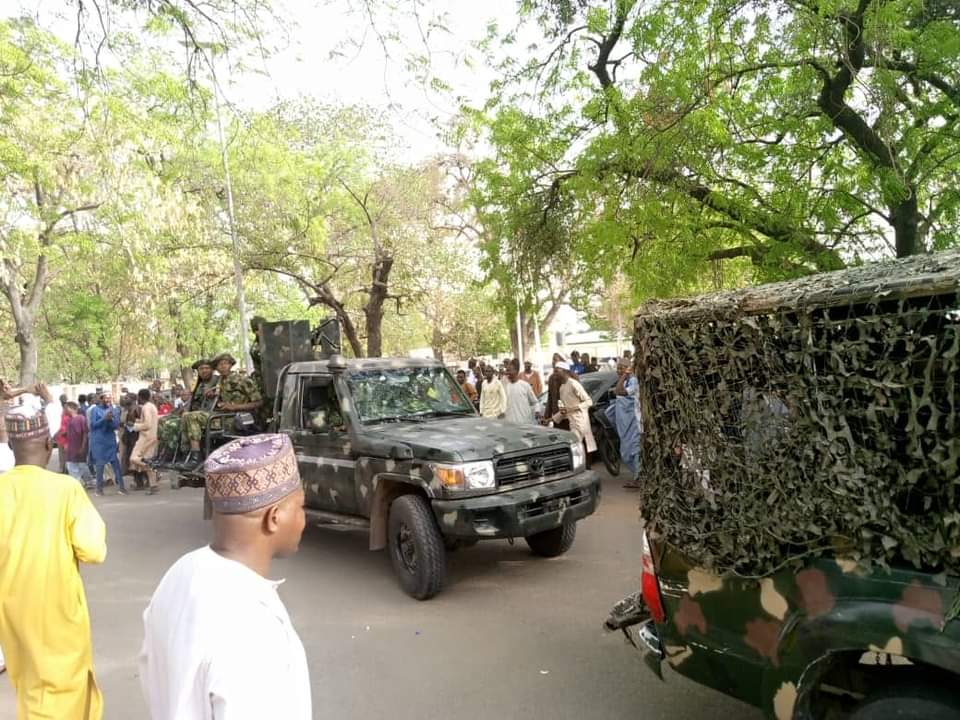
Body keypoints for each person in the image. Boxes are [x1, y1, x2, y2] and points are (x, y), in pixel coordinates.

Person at [139, 434, 311, 719]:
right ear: (275, 517)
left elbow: (152, 672)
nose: (304, 518)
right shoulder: (255, 633)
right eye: (301, 506)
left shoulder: (180, 573)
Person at [0, 399, 107, 719]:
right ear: (49, 444)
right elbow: (93, 550)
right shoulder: (65, 489)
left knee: (31, 688)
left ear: (11, 445)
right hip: (58, 610)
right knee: (63, 692)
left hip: (12, 612)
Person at [180, 353, 262, 469]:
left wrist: (234, 407)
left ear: (231, 365)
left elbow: (258, 402)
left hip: (235, 419)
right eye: (219, 365)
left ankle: (195, 459)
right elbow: (221, 397)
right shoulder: (220, 382)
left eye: (225, 363)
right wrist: (213, 394)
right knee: (187, 416)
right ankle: (187, 455)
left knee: (192, 417)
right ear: (216, 368)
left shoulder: (242, 380)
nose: (222, 366)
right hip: (222, 417)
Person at [609, 360, 642, 488]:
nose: (618, 371)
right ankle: (638, 477)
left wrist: (625, 375)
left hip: (634, 423)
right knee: (625, 454)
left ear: (629, 369)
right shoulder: (625, 381)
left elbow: (619, 391)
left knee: (634, 451)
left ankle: (638, 478)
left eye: (621, 368)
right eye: (618, 368)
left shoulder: (633, 381)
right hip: (624, 425)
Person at [552, 362, 597, 454]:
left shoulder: (573, 384)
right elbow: (565, 410)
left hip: (581, 421)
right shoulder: (562, 387)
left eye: (557, 371)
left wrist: (574, 408)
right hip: (572, 422)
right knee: (576, 448)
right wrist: (550, 419)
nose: (555, 373)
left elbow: (589, 401)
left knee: (576, 447)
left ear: (564, 371)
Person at [90, 391, 126, 496]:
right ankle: (99, 489)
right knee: (100, 465)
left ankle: (122, 487)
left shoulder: (113, 410)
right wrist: (104, 419)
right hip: (99, 441)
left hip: (110, 440)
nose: (108, 400)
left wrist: (110, 420)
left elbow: (116, 425)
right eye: (106, 398)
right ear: (101, 399)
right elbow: (93, 425)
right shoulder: (95, 410)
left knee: (115, 464)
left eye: (110, 398)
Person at [131, 388, 160, 494]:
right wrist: (139, 421)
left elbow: (147, 424)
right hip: (152, 437)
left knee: (134, 458)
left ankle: (154, 469)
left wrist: (135, 426)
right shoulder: (152, 406)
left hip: (145, 438)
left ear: (140, 397)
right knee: (147, 460)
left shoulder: (146, 408)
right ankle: (153, 486)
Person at [65, 401, 94, 488]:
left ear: (71, 409)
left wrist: (83, 447)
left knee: (81, 465)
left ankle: (88, 481)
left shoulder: (81, 418)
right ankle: (78, 482)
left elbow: (85, 433)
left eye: (66, 408)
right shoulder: (69, 420)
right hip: (71, 447)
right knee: (71, 464)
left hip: (79, 446)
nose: (65, 410)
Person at [503, 359, 541, 424]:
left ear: (516, 371)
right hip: (510, 424)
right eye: (506, 370)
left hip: (525, 423)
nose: (507, 373)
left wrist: (537, 411)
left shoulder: (525, 385)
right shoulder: (506, 386)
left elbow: (535, 402)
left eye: (509, 370)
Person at [544, 355, 571, 431]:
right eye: (552, 360)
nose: (553, 362)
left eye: (555, 360)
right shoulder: (551, 378)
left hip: (570, 416)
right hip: (557, 416)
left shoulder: (571, 378)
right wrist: (546, 416)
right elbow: (550, 398)